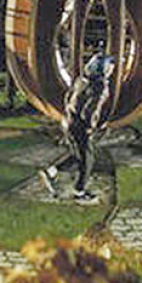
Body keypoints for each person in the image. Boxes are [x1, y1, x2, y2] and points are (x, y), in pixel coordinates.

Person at [39, 54, 116, 205]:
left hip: (69, 121)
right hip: (81, 125)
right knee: (88, 159)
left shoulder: (81, 79)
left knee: (77, 154)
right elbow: (91, 108)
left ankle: (51, 172)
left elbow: (68, 97)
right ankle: (79, 191)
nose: (112, 70)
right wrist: (90, 127)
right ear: (104, 69)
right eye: (110, 67)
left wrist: (68, 114)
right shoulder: (100, 85)